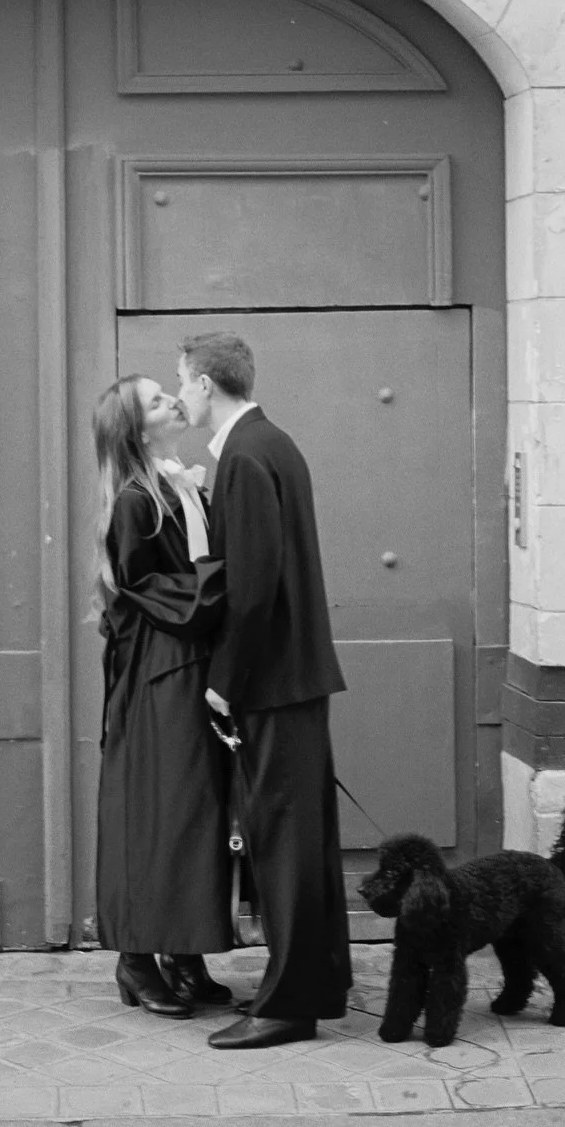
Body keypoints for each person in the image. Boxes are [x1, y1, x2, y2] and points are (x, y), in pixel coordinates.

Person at [176, 331, 353, 1049]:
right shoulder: (272, 444)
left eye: (182, 382)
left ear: (208, 384)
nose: (181, 395)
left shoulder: (245, 458)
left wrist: (224, 683)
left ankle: (288, 1005)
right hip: (297, 678)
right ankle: (316, 981)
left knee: (283, 846)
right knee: (303, 843)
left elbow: (250, 590)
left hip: (273, 683)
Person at [92, 374, 236, 1018]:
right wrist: (231, 578)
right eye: (154, 401)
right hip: (159, 673)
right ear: (135, 429)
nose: (172, 401)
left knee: (194, 812)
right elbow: (154, 593)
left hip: (189, 663)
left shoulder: (179, 482)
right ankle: (137, 959)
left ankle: (184, 953)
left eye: (165, 392)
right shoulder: (134, 501)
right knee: (159, 811)